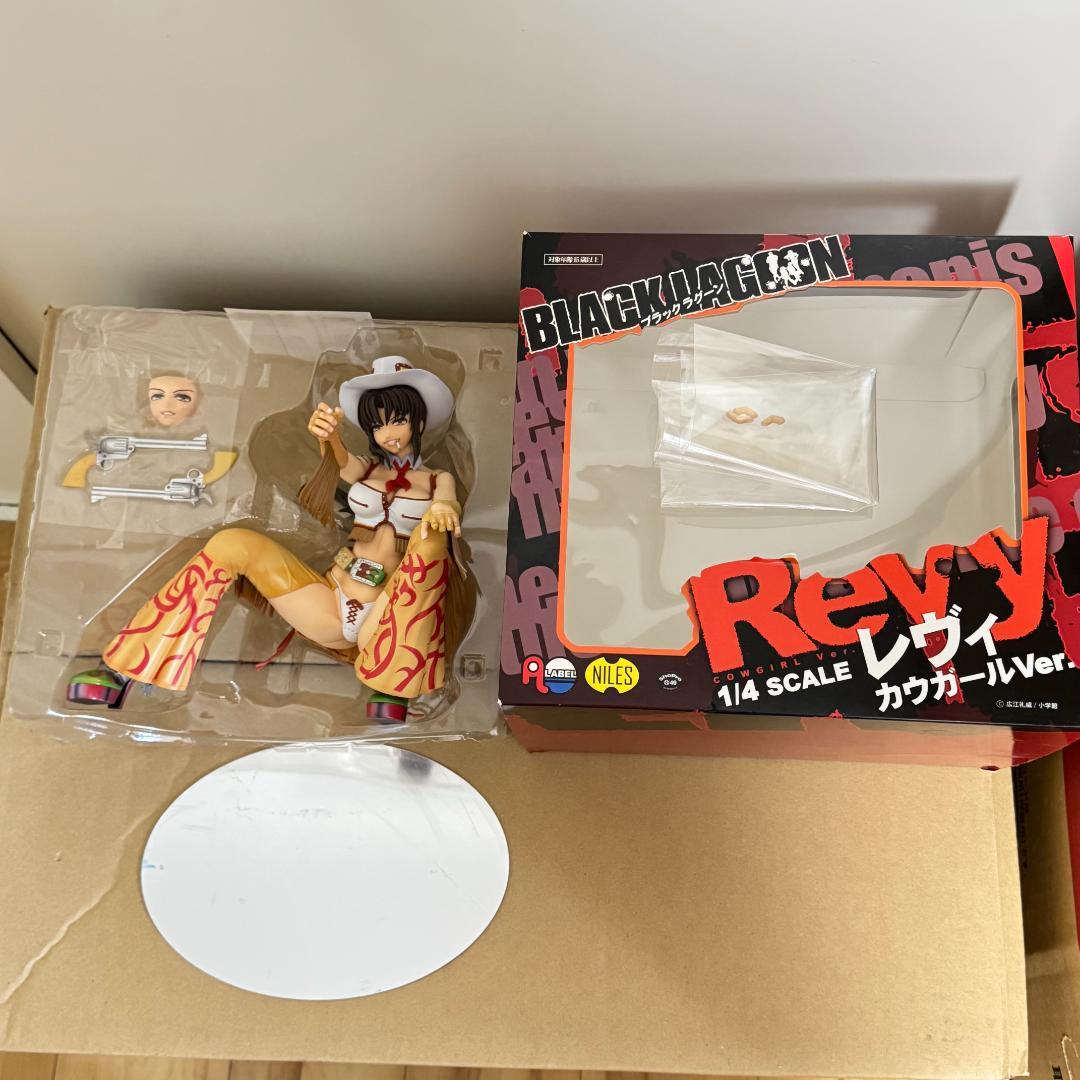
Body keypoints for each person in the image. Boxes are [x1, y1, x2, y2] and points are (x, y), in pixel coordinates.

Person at [67, 356, 469, 724]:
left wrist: (441, 512)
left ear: (418, 422)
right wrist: (328, 435)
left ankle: (393, 686)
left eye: (397, 420)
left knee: (432, 542)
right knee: (231, 543)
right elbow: (340, 461)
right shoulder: (366, 471)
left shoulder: (436, 480)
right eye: (378, 425)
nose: (388, 433)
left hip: (389, 615)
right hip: (333, 599)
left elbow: (447, 503)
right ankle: (126, 668)